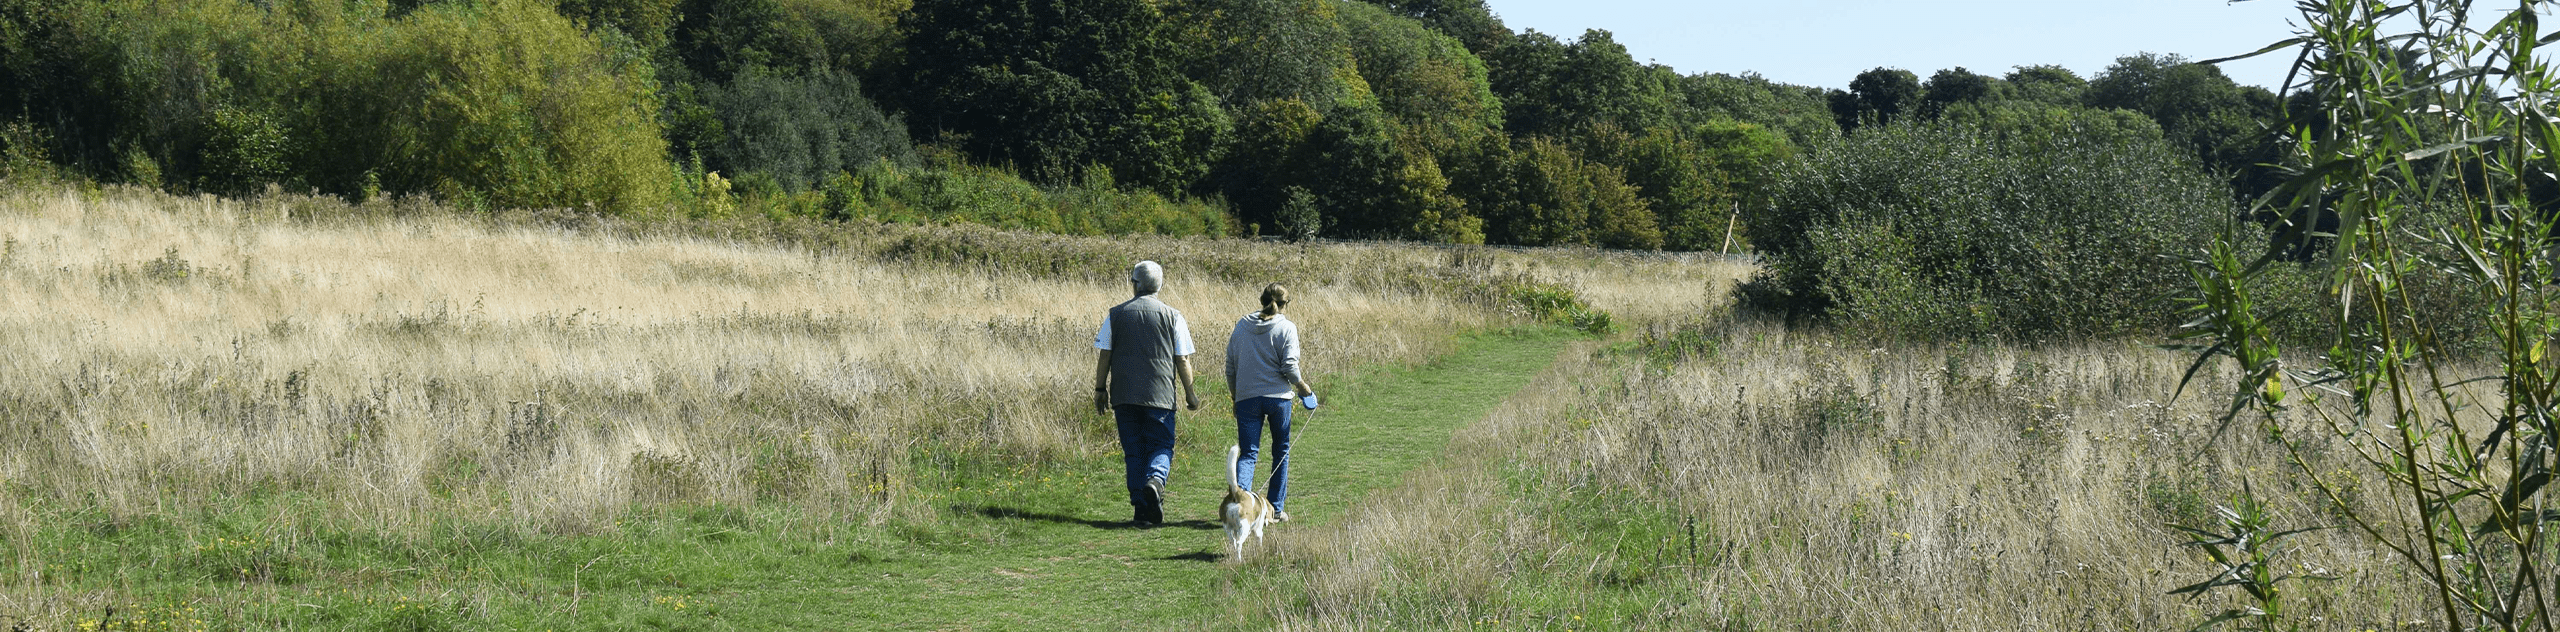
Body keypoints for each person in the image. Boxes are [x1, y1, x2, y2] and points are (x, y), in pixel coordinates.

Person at [1092, 260, 1202, 526]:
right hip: (1161, 395)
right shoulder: (1173, 316)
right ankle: (1156, 480)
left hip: (1124, 395)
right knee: (1162, 445)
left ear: (1135, 284)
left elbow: (1104, 355)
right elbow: (1183, 359)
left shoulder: (1115, 315)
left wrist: (1100, 389)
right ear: (1159, 285)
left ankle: (1140, 508)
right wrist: (1190, 393)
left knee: (1133, 450)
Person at [1225, 283, 1317, 523]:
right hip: (1279, 399)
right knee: (1281, 451)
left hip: (1246, 397)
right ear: (1285, 304)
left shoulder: (1242, 326)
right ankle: (1275, 508)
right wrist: (1303, 387)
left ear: (1261, 299)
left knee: (1248, 453)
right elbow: (1289, 366)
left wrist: (1235, 396)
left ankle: (1240, 505)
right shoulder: (1287, 327)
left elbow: (1230, 365)